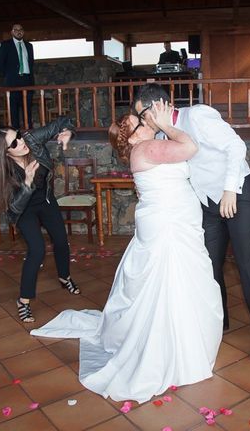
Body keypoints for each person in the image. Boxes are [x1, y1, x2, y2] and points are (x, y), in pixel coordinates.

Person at [30, 101, 223, 403]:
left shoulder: (147, 146)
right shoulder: (146, 149)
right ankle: (176, 345)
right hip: (169, 226)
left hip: (174, 221)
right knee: (170, 280)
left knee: (178, 279)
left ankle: (184, 339)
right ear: (132, 137)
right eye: (142, 123)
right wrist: (166, 124)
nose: (148, 124)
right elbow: (189, 147)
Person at [132, 83, 250, 361]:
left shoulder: (198, 115)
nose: (143, 122)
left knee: (249, 267)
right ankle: (218, 321)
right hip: (209, 206)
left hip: (238, 196)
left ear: (156, 108)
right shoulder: (165, 136)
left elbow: (236, 147)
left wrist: (229, 190)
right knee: (208, 267)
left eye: (143, 115)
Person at [0, 117, 79, 323]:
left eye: (18, 135)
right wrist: (26, 182)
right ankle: (23, 301)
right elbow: (14, 207)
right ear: (5, 152)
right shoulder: (2, 171)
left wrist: (67, 132)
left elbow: (63, 120)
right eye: (14, 143)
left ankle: (65, 276)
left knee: (61, 240)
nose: (21, 141)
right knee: (37, 249)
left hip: (45, 198)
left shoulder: (30, 139)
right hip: (23, 209)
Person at [0, 23, 35, 129]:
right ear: (12, 32)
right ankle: (15, 131)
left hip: (27, 80)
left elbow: (31, 63)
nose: (19, 31)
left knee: (27, 107)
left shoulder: (29, 46)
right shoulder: (5, 45)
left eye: (21, 29)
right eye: (16, 29)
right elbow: (0, 64)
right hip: (12, 81)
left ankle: (29, 131)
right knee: (13, 108)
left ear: (23, 31)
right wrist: (8, 77)